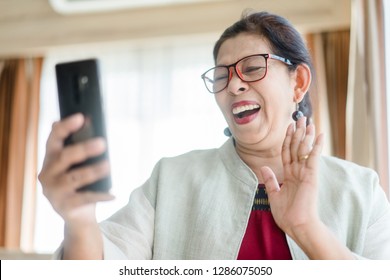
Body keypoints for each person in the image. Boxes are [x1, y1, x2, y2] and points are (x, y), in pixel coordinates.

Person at [38, 11, 390, 260]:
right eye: (221, 76)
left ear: (298, 82)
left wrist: (307, 228)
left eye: (253, 68)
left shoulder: (362, 190)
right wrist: (80, 219)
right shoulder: (171, 179)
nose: (234, 84)